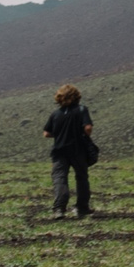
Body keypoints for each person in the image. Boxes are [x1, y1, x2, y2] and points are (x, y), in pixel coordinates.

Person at [42, 83, 97, 220]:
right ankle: (82, 208)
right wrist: (82, 135)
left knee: (60, 178)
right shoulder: (82, 110)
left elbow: (46, 133)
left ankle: (59, 209)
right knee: (81, 177)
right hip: (78, 149)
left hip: (59, 151)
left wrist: (60, 134)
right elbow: (88, 128)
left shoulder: (55, 114)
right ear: (76, 96)